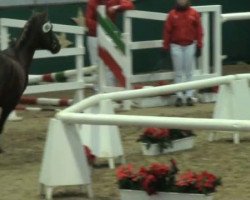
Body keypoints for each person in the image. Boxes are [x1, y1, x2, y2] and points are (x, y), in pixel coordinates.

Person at [162, 0, 203, 107]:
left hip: (190, 45)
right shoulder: (172, 14)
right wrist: (165, 46)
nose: (182, 1)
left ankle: (189, 96)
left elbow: (199, 30)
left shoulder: (194, 13)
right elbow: (167, 31)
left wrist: (199, 45)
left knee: (189, 72)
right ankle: (179, 96)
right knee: (178, 72)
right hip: (176, 46)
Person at [85, 0, 134, 87]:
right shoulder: (92, 2)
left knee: (111, 65)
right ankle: (98, 93)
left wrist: (116, 7)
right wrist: (103, 27)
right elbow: (88, 21)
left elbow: (130, 5)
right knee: (96, 66)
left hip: (109, 36)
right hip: (94, 37)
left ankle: (112, 92)